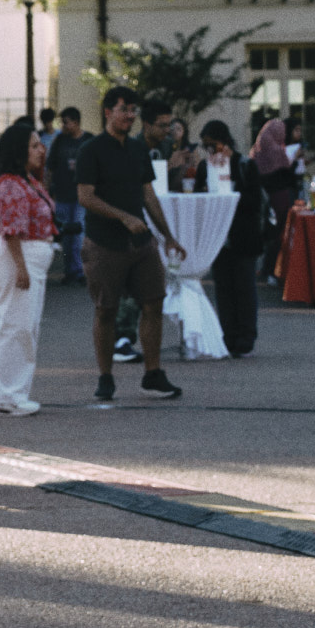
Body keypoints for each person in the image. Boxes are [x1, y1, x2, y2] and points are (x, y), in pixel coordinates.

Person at [76, 85, 186, 402]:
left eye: (133, 110)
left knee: (154, 303)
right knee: (106, 310)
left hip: (141, 243)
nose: (130, 116)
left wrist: (167, 236)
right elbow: (85, 196)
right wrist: (122, 217)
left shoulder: (138, 150)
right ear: (108, 112)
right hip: (103, 243)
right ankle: (106, 377)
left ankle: (153, 374)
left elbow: (148, 194)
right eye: (124, 109)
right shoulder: (92, 150)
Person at [0, 121, 57, 414]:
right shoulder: (11, 183)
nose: (42, 149)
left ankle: (13, 394)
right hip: (19, 257)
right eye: (35, 145)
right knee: (17, 327)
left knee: (25, 327)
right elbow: (12, 231)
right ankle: (7, 398)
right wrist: (22, 268)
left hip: (27, 256)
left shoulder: (25, 180)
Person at [195, 120, 265, 357]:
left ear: (225, 142)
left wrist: (228, 193)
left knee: (244, 287)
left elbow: (255, 201)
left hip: (242, 235)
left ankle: (246, 336)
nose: (211, 152)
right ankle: (228, 335)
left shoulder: (244, 165)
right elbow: (198, 197)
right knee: (223, 288)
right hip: (218, 238)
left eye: (213, 145)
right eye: (206, 147)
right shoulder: (205, 168)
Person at [251, 118, 299, 283]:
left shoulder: (259, 150)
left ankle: (268, 269)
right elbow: (285, 172)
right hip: (279, 197)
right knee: (280, 233)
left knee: (272, 233)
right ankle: (274, 270)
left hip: (267, 198)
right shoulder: (277, 151)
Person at [46, 106, 89, 283]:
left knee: (79, 235)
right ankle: (70, 270)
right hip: (62, 194)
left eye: (66, 122)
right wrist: (48, 191)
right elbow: (50, 166)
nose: (63, 126)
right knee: (65, 237)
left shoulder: (88, 140)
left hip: (82, 196)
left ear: (76, 122)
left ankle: (79, 270)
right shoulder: (59, 140)